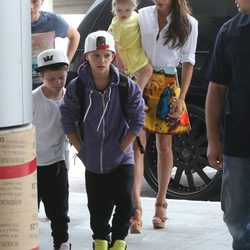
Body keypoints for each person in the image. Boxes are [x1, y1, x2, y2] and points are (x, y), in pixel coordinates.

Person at [60, 30, 145, 250]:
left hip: (121, 157)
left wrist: (121, 147)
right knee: (98, 206)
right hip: (93, 159)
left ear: (113, 57)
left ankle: (119, 241)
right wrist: (82, 150)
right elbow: (67, 120)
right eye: (96, 55)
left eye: (106, 55)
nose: (101, 60)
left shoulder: (126, 86)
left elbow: (137, 121)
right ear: (86, 56)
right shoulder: (77, 87)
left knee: (126, 201)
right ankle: (100, 240)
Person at [129, 0, 198, 233]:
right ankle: (135, 207)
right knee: (137, 146)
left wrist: (181, 99)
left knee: (164, 146)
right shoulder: (141, 15)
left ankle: (161, 203)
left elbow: (188, 63)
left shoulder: (189, 23)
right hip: (141, 82)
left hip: (168, 86)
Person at [205, 1, 250, 249]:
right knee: (234, 215)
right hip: (239, 140)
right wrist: (213, 138)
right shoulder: (229, 32)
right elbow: (217, 87)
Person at [32, 48, 71, 250]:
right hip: (31, 167)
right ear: (41, 77)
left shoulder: (69, 98)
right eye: (51, 79)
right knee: (29, 212)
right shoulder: (32, 100)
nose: (57, 83)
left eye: (61, 78)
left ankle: (62, 244)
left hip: (57, 163)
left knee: (59, 211)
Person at [31, 0, 80, 89]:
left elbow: (75, 36)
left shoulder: (52, 21)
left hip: (47, 82)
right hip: (19, 80)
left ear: (42, 1)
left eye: (34, 1)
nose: (30, 6)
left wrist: (66, 63)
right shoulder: (10, 23)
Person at [108, 0, 152, 91]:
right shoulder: (117, 24)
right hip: (126, 54)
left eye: (127, 10)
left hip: (137, 50)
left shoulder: (136, 16)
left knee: (146, 71)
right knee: (146, 70)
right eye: (119, 10)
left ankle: (137, 92)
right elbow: (115, 43)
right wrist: (119, 59)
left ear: (133, 7)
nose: (123, 13)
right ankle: (137, 94)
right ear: (114, 9)